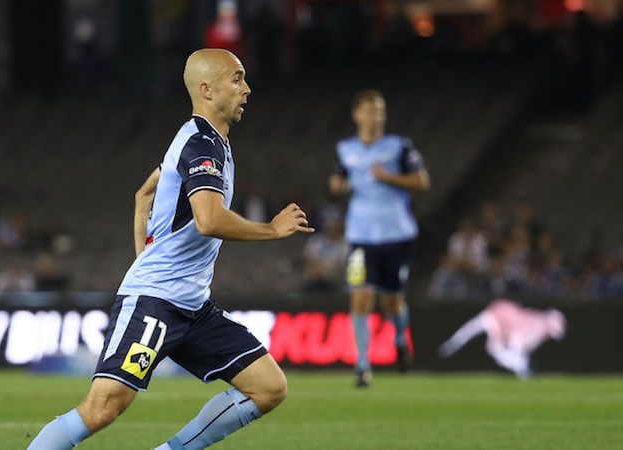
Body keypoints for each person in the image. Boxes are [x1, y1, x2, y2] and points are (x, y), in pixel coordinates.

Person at [27, 48, 313, 450]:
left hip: (194, 308)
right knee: (101, 409)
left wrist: (144, 257)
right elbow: (208, 220)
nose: (247, 89)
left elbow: (143, 195)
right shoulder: (202, 145)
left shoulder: (205, 141)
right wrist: (271, 229)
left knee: (268, 387)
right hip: (156, 303)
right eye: (237, 78)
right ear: (207, 89)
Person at [329, 89, 430, 388]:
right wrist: (337, 185)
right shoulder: (346, 149)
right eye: (371, 110)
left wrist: (389, 178)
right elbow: (339, 179)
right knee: (360, 297)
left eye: (380, 110)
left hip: (397, 234)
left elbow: (422, 180)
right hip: (360, 236)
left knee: (392, 302)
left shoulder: (399, 147)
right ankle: (363, 366)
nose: (376, 116)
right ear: (357, 115)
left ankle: (400, 337)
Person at [438, 299, 566, 378]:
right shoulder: (537, 325)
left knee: (495, 349)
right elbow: (517, 341)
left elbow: (518, 343)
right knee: (481, 338)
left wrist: (519, 360)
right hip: (497, 318)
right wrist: (520, 361)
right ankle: (452, 344)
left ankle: (522, 369)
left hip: (503, 322)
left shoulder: (537, 327)